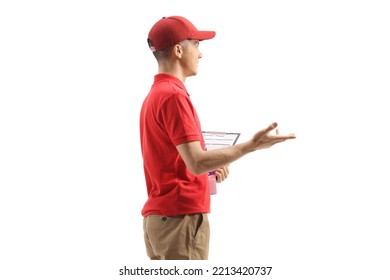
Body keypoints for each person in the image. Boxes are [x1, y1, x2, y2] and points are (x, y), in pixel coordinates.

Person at [139, 15, 296, 260]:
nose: (200, 54)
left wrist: (207, 174)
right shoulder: (173, 96)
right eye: (197, 45)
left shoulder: (155, 95)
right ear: (179, 50)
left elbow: (175, 162)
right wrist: (251, 146)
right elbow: (196, 162)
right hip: (180, 222)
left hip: (160, 222)